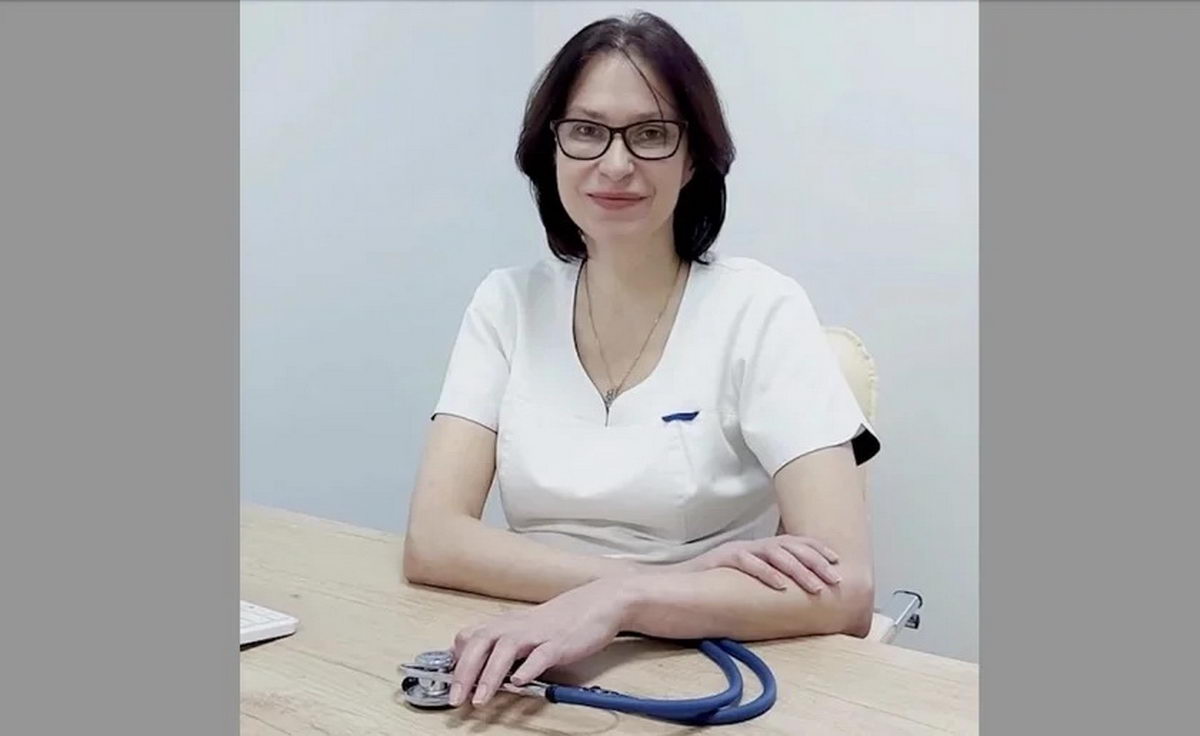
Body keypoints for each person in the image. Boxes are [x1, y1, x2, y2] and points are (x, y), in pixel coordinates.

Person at [403, 11, 881, 709]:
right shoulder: (506, 303)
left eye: (652, 134)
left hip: (706, 660)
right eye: (586, 130)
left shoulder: (761, 308)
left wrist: (626, 600)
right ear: (550, 150)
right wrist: (653, 580)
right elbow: (434, 541)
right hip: (524, 643)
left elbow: (848, 591)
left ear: (694, 159)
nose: (616, 163)